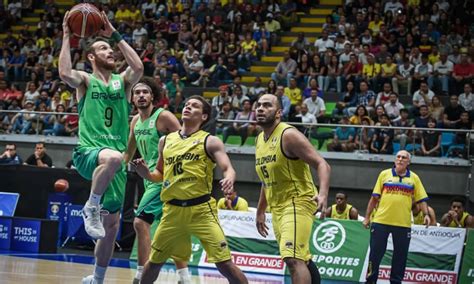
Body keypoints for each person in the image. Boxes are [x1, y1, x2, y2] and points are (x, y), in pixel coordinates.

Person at [59, 10, 143, 284]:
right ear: (92, 57)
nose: (111, 52)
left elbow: (139, 68)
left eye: (110, 48)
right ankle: (90, 205)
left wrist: (115, 36)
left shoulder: (122, 82)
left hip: (113, 161)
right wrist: (66, 37)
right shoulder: (85, 80)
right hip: (89, 152)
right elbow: (63, 72)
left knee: (111, 227)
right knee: (116, 158)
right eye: (103, 48)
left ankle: (97, 278)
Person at [132, 96, 248, 284]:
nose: (188, 107)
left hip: (201, 210)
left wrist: (229, 178)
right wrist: (145, 173)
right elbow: (159, 174)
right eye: (187, 104)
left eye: (194, 106)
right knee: (154, 262)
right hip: (172, 211)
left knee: (224, 263)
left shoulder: (210, 141)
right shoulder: (165, 141)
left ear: (203, 116)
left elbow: (228, 168)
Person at [254, 94, 331, 284]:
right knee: (301, 257)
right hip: (278, 207)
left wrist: (322, 194)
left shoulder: (288, 135)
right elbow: (266, 179)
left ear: (279, 112)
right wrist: (260, 210)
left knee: (292, 259)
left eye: (267, 105)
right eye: (258, 105)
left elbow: (322, 164)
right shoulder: (259, 140)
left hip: (298, 202)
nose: (260, 109)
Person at [123, 77, 190, 284]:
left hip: (166, 179)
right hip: (148, 178)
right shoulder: (135, 121)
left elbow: (184, 143)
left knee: (140, 222)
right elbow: (129, 151)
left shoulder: (164, 117)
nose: (141, 95)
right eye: (137, 92)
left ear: (153, 96)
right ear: (133, 98)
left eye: (145, 92)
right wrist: (115, 167)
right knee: (167, 227)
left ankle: (142, 274)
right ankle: (184, 278)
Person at [363, 150, 431, 284]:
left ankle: (395, 282)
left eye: (404, 157)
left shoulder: (414, 178)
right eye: (398, 157)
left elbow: (421, 199)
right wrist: (367, 217)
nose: (400, 159)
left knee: (400, 257)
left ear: (408, 162)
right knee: (375, 255)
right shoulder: (384, 174)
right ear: (395, 160)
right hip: (380, 222)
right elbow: (374, 198)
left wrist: (426, 214)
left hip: (403, 224)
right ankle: (370, 281)